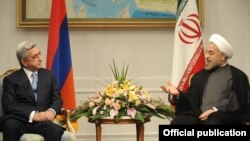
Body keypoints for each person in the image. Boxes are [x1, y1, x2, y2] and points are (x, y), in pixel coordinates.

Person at [161, 34, 250, 124]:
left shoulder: (237, 76)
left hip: (223, 116)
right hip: (198, 116)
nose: (206, 56)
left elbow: (239, 102)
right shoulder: (199, 76)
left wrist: (215, 110)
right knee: (178, 123)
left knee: (214, 121)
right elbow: (192, 99)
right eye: (206, 52)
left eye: (211, 53)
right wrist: (178, 94)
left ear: (223, 56)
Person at [0, 41, 64, 141]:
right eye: (34, 57)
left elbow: (57, 99)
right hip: (18, 119)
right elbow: (9, 105)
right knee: (10, 126)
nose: (40, 59)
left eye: (39, 54)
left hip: (41, 123)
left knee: (55, 130)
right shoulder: (11, 79)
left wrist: (51, 111)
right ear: (24, 62)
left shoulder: (49, 75)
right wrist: (33, 115)